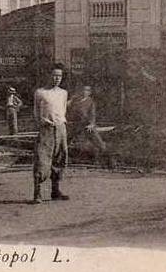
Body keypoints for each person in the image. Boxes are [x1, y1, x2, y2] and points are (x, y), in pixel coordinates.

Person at [32, 63, 69, 204]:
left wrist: (61, 125)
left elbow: (63, 110)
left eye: (59, 76)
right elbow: (36, 112)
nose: (56, 78)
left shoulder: (63, 93)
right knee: (42, 160)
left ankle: (55, 190)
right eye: (54, 75)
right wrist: (43, 124)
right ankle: (38, 193)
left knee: (60, 159)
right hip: (46, 129)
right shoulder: (40, 92)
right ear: (49, 75)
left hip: (60, 129)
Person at [68, 85, 109, 162]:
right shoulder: (75, 100)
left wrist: (91, 124)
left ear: (89, 93)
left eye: (87, 91)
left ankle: (104, 154)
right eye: (83, 90)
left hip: (86, 124)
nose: (84, 92)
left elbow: (92, 115)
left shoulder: (91, 102)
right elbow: (69, 109)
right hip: (75, 124)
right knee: (67, 138)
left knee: (96, 138)